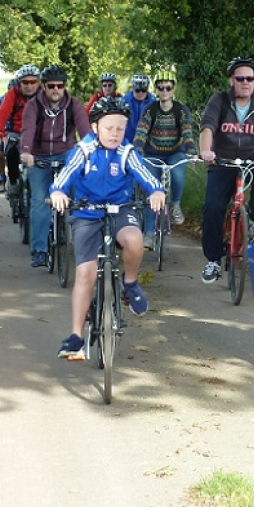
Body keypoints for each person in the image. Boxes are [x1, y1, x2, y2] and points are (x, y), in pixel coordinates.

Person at [50, 96, 165, 359]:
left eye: (120, 129)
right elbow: (66, 175)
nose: (114, 134)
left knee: (135, 240)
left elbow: (145, 175)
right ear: (95, 128)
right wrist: (58, 192)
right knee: (85, 274)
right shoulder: (84, 150)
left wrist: (156, 191)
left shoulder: (127, 152)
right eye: (109, 128)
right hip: (87, 212)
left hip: (120, 209)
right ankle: (76, 337)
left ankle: (130, 283)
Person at [198, 56, 254, 284]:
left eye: (250, 78)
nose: (245, 82)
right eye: (240, 78)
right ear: (231, 80)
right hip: (222, 158)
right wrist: (206, 150)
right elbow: (207, 126)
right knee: (213, 207)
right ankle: (213, 259)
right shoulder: (220, 100)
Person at [20, 65, 92, 268]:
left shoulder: (74, 105)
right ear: (43, 87)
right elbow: (28, 129)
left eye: (60, 86)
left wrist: (89, 148)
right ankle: (40, 250)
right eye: (51, 86)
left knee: (78, 196)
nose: (55, 90)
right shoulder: (33, 106)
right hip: (39, 157)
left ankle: (82, 243)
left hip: (65, 154)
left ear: (64, 86)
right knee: (39, 201)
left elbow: (84, 130)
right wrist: (26, 151)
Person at [132, 68, 198, 247]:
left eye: (168, 87)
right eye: (160, 88)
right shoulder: (150, 108)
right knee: (151, 189)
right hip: (153, 153)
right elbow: (142, 130)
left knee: (177, 175)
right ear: (156, 89)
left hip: (175, 152)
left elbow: (187, 132)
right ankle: (149, 234)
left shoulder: (181, 110)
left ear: (173, 88)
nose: (164, 91)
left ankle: (176, 205)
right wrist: (137, 147)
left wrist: (191, 150)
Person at [0, 65, 41, 196]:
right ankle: (13, 182)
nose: (29, 86)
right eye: (25, 82)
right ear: (20, 83)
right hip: (16, 132)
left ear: (38, 82)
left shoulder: (44, 95)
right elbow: (2, 113)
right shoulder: (13, 94)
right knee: (12, 151)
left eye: (33, 82)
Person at [121, 73, 155, 142]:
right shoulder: (124, 101)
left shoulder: (153, 102)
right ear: (132, 88)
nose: (140, 93)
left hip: (147, 142)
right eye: (137, 90)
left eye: (143, 90)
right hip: (127, 141)